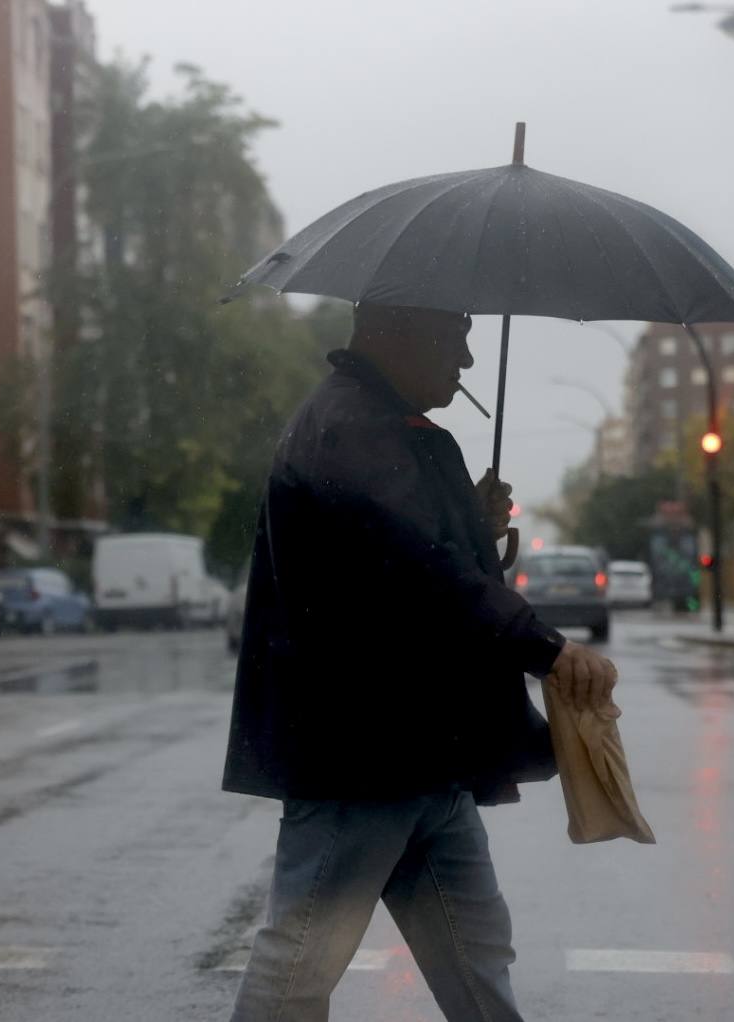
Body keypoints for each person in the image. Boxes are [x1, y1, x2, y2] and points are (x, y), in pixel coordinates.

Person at [221, 303, 618, 1022]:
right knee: (300, 965)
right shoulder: (353, 429)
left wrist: (469, 518)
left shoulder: (379, 428)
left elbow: (405, 552)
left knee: (474, 956)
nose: (465, 360)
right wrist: (546, 650)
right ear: (394, 332)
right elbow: (422, 575)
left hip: (421, 754)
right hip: (364, 755)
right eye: (454, 337)